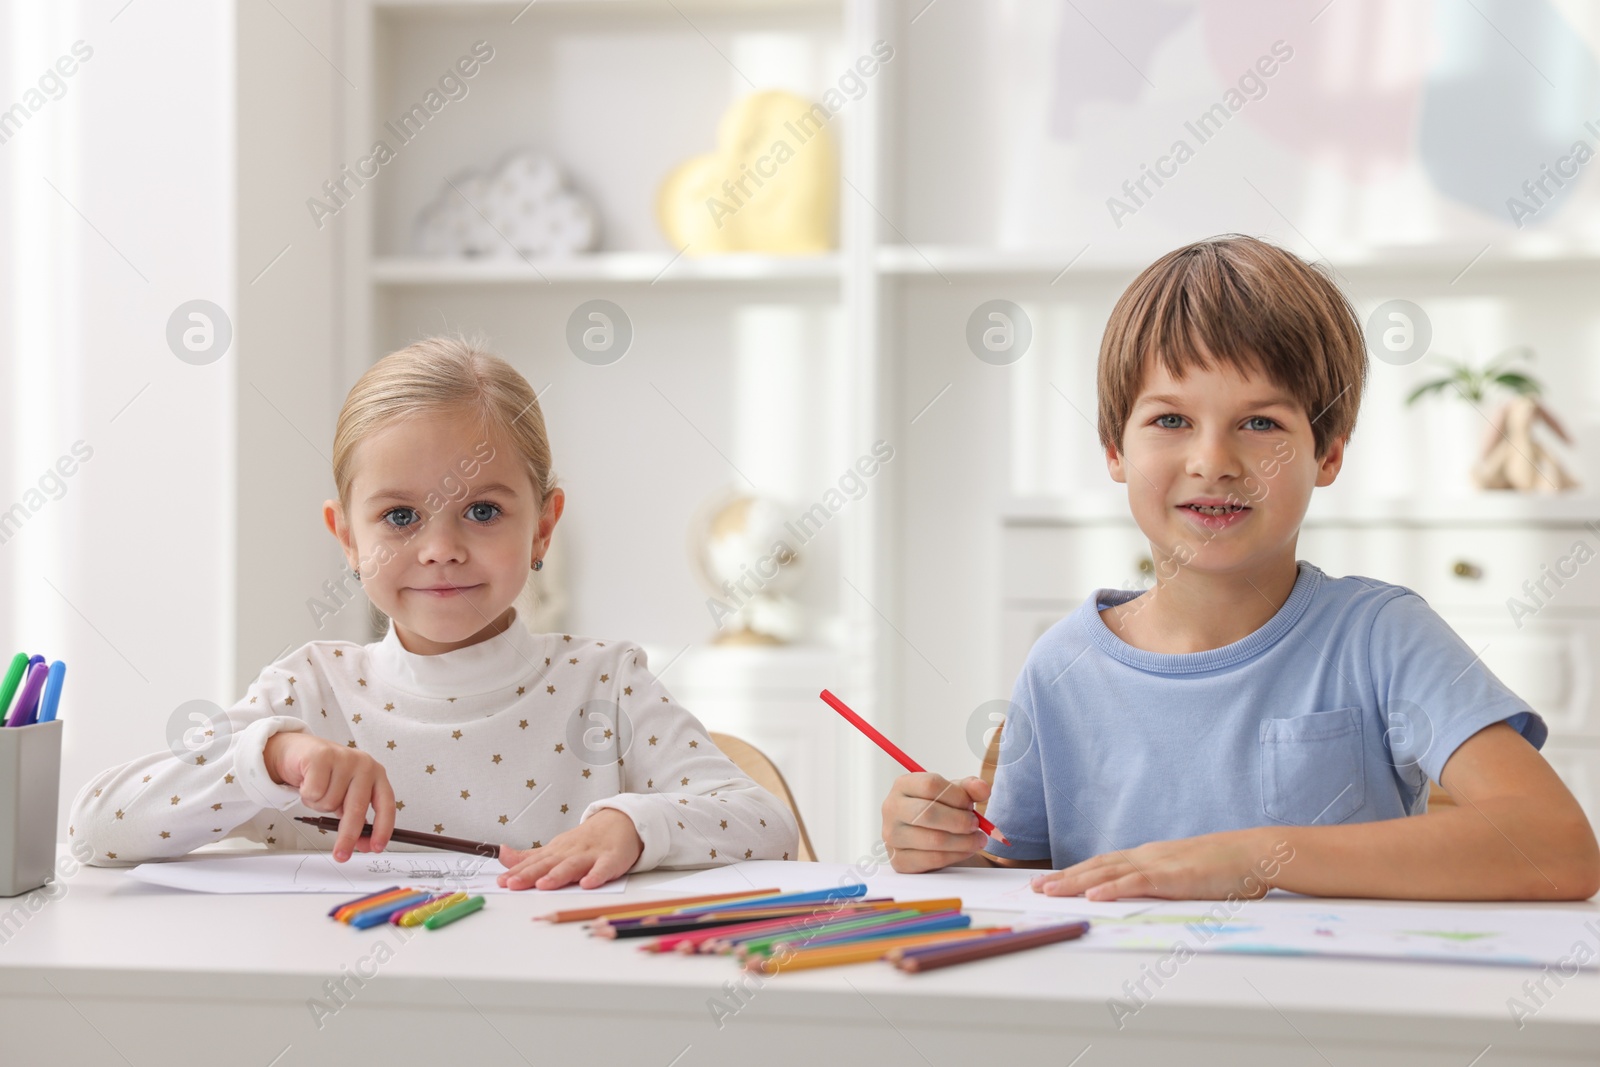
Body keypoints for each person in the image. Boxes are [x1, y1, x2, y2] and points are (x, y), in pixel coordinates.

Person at [882, 235, 1600, 902]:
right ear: (1114, 448)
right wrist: (943, 845)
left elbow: (1559, 847)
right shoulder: (1060, 666)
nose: (1213, 461)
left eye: (1261, 423)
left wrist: (1258, 855)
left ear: (1327, 455)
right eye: (1170, 421)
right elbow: (1026, 885)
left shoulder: (1383, 638)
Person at [70, 336, 799, 889]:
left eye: (482, 510)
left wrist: (632, 824)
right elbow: (95, 825)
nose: (441, 548)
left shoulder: (605, 682)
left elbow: (764, 820)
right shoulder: (310, 692)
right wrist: (273, 756)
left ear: (543, 526)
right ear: (347, 537)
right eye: (399, 516)